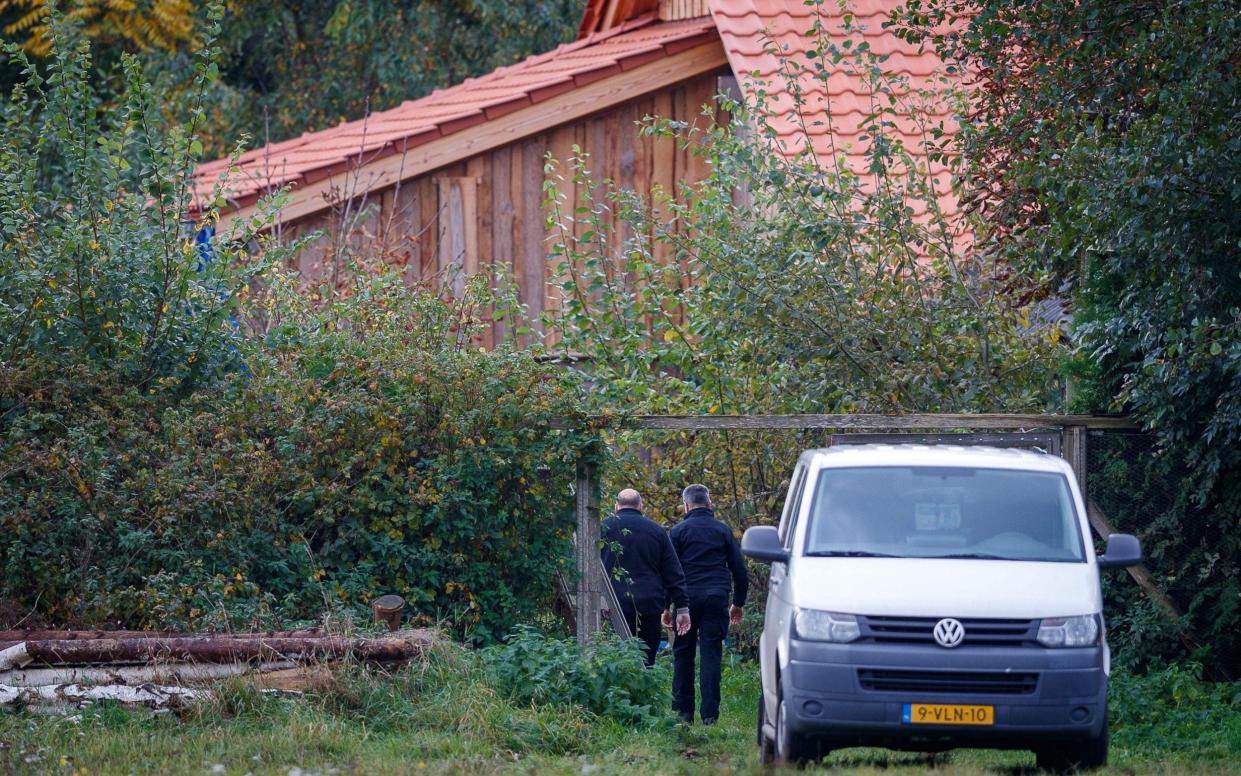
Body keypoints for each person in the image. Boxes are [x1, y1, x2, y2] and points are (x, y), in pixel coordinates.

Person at [666, 484, 748, 724]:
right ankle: (710, 715)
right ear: (710, 504)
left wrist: (666, 606)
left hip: (685, 601)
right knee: (711, 654)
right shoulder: (723, 531)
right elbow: (740, 571)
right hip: (716, 598)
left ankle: (683, 712)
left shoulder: (678, 532)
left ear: (686, 506)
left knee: (683, 654)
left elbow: (670, 571)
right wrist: (738, 603)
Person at [600, 488, 691, 666]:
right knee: (646, 660)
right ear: (641, 506)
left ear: (616, 506)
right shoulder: (656, 531)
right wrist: (682, 608)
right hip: (648, 605)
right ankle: (644, 691)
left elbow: (589, 567)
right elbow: (673, 572)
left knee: (616, 659)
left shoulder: (603, 528)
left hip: (612, 604)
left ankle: (619, 693)